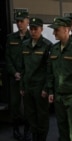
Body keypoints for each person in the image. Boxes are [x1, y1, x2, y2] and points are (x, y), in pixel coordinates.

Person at [19, 17, 52, 141]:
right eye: (31, 29)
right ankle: (34, 137)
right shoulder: (25, 44)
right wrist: (22, 86)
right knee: (31, 115)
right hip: (28, 86)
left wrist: (46, 88)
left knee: (42, 116)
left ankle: (42, 138)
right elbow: (22, 67)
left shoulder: (47, 45)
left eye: (35, 29)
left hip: (40, 87)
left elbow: (49, 70)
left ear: (41, 29)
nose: (33, 32)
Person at [5, 11, 31, 141]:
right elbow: (8, 58)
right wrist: (14, 72)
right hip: (14, 78)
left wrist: (25, 74)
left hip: (27, 79)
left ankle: (27, 131)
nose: (19, 23)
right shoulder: (11, 38)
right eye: (18, 21)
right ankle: (15, 130)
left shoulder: (32, 37)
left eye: (22, 21)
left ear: (28, 21)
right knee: (15, 105)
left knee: (27, 106)